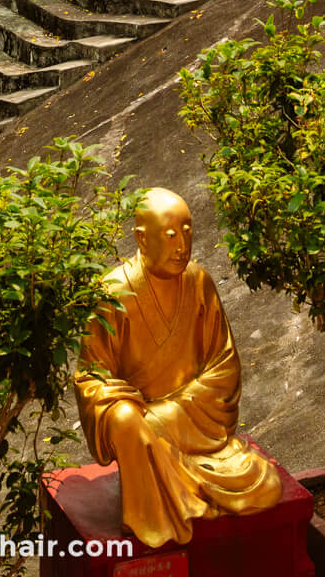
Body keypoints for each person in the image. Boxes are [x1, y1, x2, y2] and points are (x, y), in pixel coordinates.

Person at [75, 188, 280, 547]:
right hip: (139, 429)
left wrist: (164, 416)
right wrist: (135, 416)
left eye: (187, 231)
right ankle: (152, 508)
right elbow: (92, 377)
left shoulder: (199, 283)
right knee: (125, 421)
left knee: (264, 485)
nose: (181, 245)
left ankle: (181, 479)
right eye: (170, 235)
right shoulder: (113, 292)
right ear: (141, 238)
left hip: (193, 431)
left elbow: (224, 366)